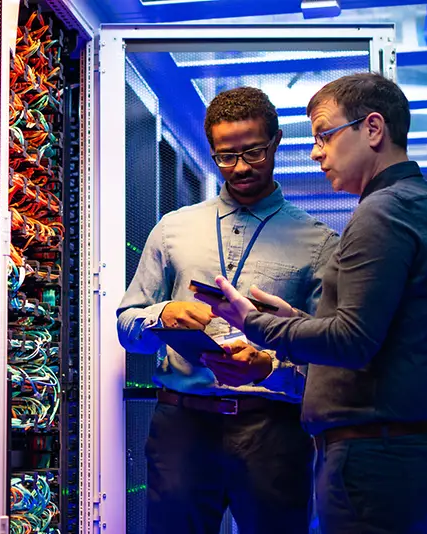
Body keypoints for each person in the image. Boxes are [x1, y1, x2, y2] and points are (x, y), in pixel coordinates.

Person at [196, 73, 427, 533]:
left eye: (324, 135)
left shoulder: (383, 210)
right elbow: (377, 332)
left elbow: (351, 341)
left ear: (373, 129)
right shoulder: (416, 202)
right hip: (390, 455)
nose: (316, 151)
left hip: (372, 461)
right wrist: (297, 320)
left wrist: (254, 322)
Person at [116, 86, 339, 534]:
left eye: (253, 152)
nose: (239, 168)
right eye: (225, 156)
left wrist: (268, 367)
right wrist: (163, 315)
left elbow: (332, 360)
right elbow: (126, 327)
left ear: (276, 142)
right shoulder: (172, 229)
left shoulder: (318, 244)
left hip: (273, 431)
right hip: (181, 427)